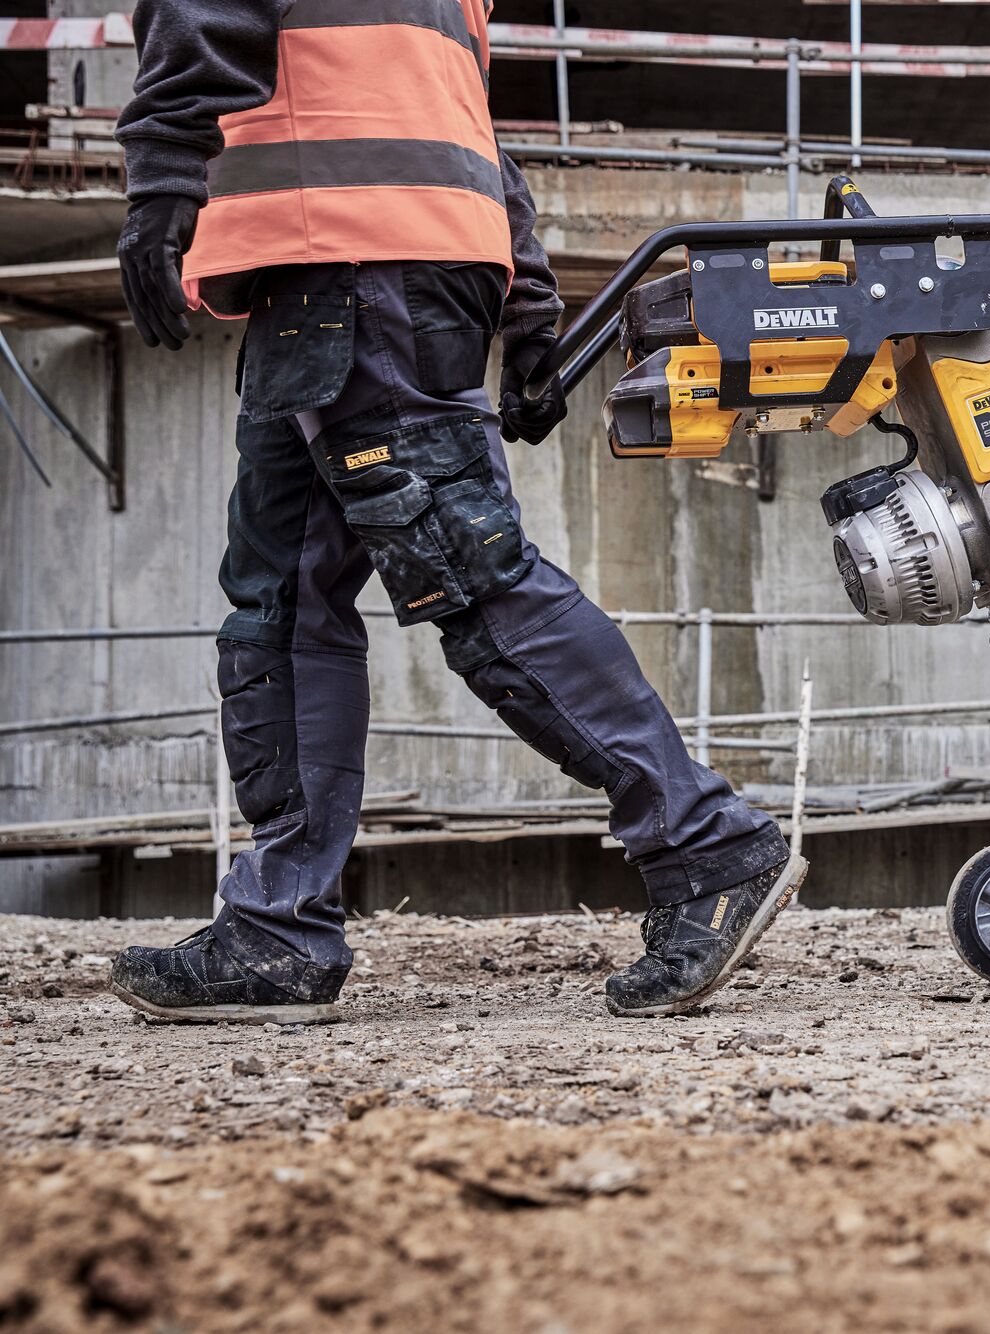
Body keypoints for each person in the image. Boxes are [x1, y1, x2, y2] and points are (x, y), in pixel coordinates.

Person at [106, 0, 805, 1024]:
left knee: (467, 569)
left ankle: (706, 843)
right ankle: (277, 928)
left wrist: (163, 175)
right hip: (350, 271)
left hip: (349, 258)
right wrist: (522, 297)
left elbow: (200, 14)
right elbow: (459, 119)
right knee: (280, 603)